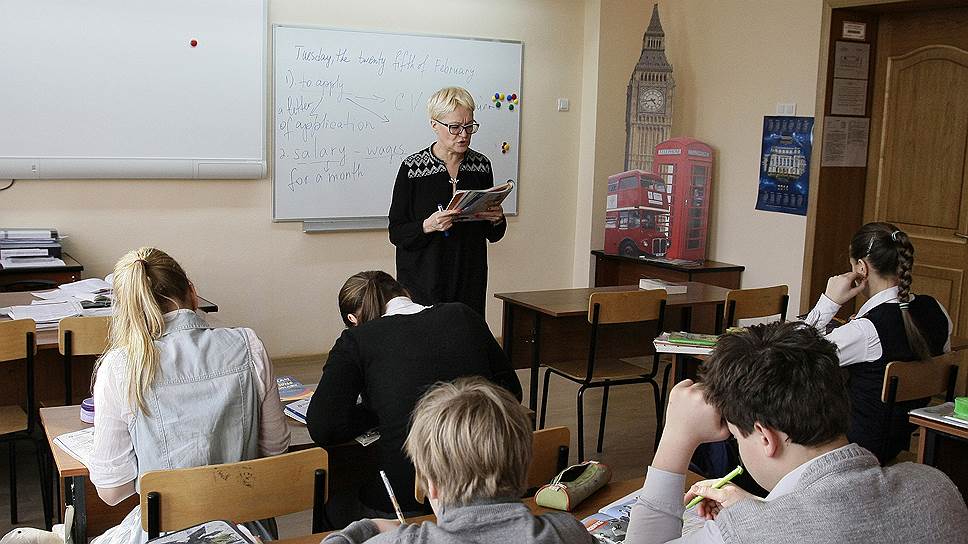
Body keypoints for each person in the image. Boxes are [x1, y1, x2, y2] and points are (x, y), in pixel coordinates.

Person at [625, 321, 968, 544]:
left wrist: (676, 437)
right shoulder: (936, 488)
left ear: (765, 437)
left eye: (737, 437)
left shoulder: (745, 535)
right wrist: (762, 508)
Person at [88, 248, 290, 544]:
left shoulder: (119, 366)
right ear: (193, 293)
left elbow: (112, 492)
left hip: (164, 532)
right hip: (248, 527)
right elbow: (275, 448)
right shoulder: (249, 345)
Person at [306, 271, 522, 524]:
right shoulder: (463, 314)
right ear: (405, 293)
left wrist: (376, 411)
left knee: (337, 500)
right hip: (489, 481)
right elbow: (510, 391)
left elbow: (323, 427)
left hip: (406, 499)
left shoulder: (356, 340)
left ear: (353, 319)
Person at [322, 377, 595, 544]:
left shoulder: (401, 541)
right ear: (524, 470)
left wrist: (369, 527)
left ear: (431, 485)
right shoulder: (568, 533)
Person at [803, 222, 952, 462]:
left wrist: (828, 301)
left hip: (854, 446)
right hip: (900, 440)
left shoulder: (866, 330)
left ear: (861, 268)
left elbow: (791, 357)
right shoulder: (936, 309)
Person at [388, 86, 506, 316]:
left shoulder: (481, 166)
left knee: (466, 332)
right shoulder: (412, 169)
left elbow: (493, 235)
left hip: (469, 277)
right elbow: (397, 233)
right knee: (427, 334)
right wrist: (428, 225)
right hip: (423, 279)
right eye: (455, 127)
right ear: (434, 124)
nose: (463, 135)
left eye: (469, 126)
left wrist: (496, 219)